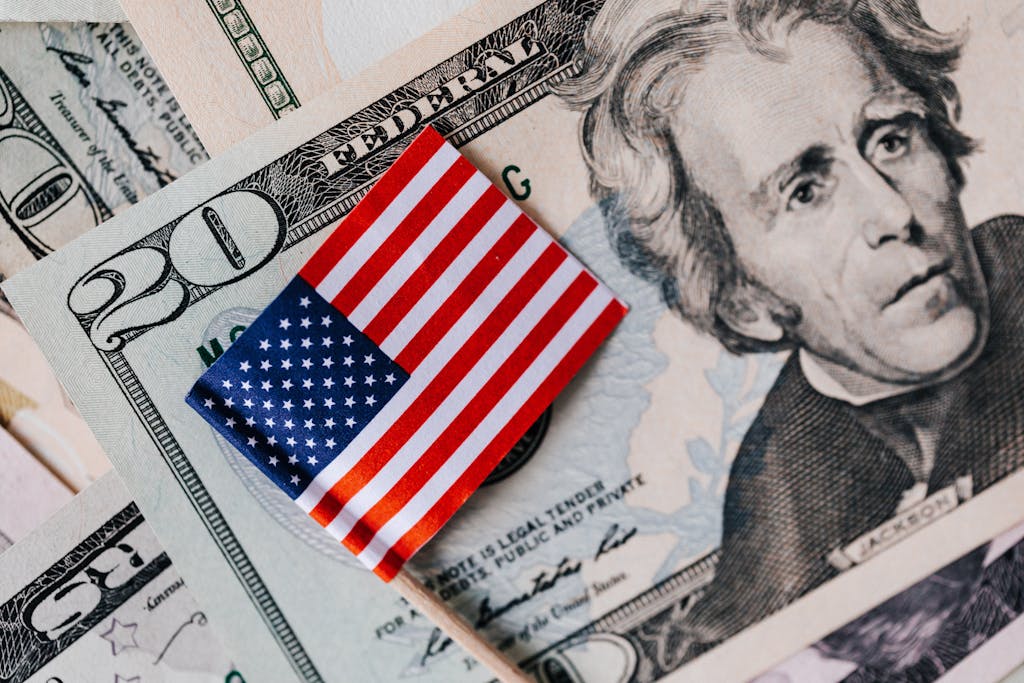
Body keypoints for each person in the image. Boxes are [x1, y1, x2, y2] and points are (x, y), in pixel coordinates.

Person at [561, 0, 1024, 670]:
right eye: (805, 191)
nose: (893, 212)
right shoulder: (773, 516)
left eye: (891, 139)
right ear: (742, 296)